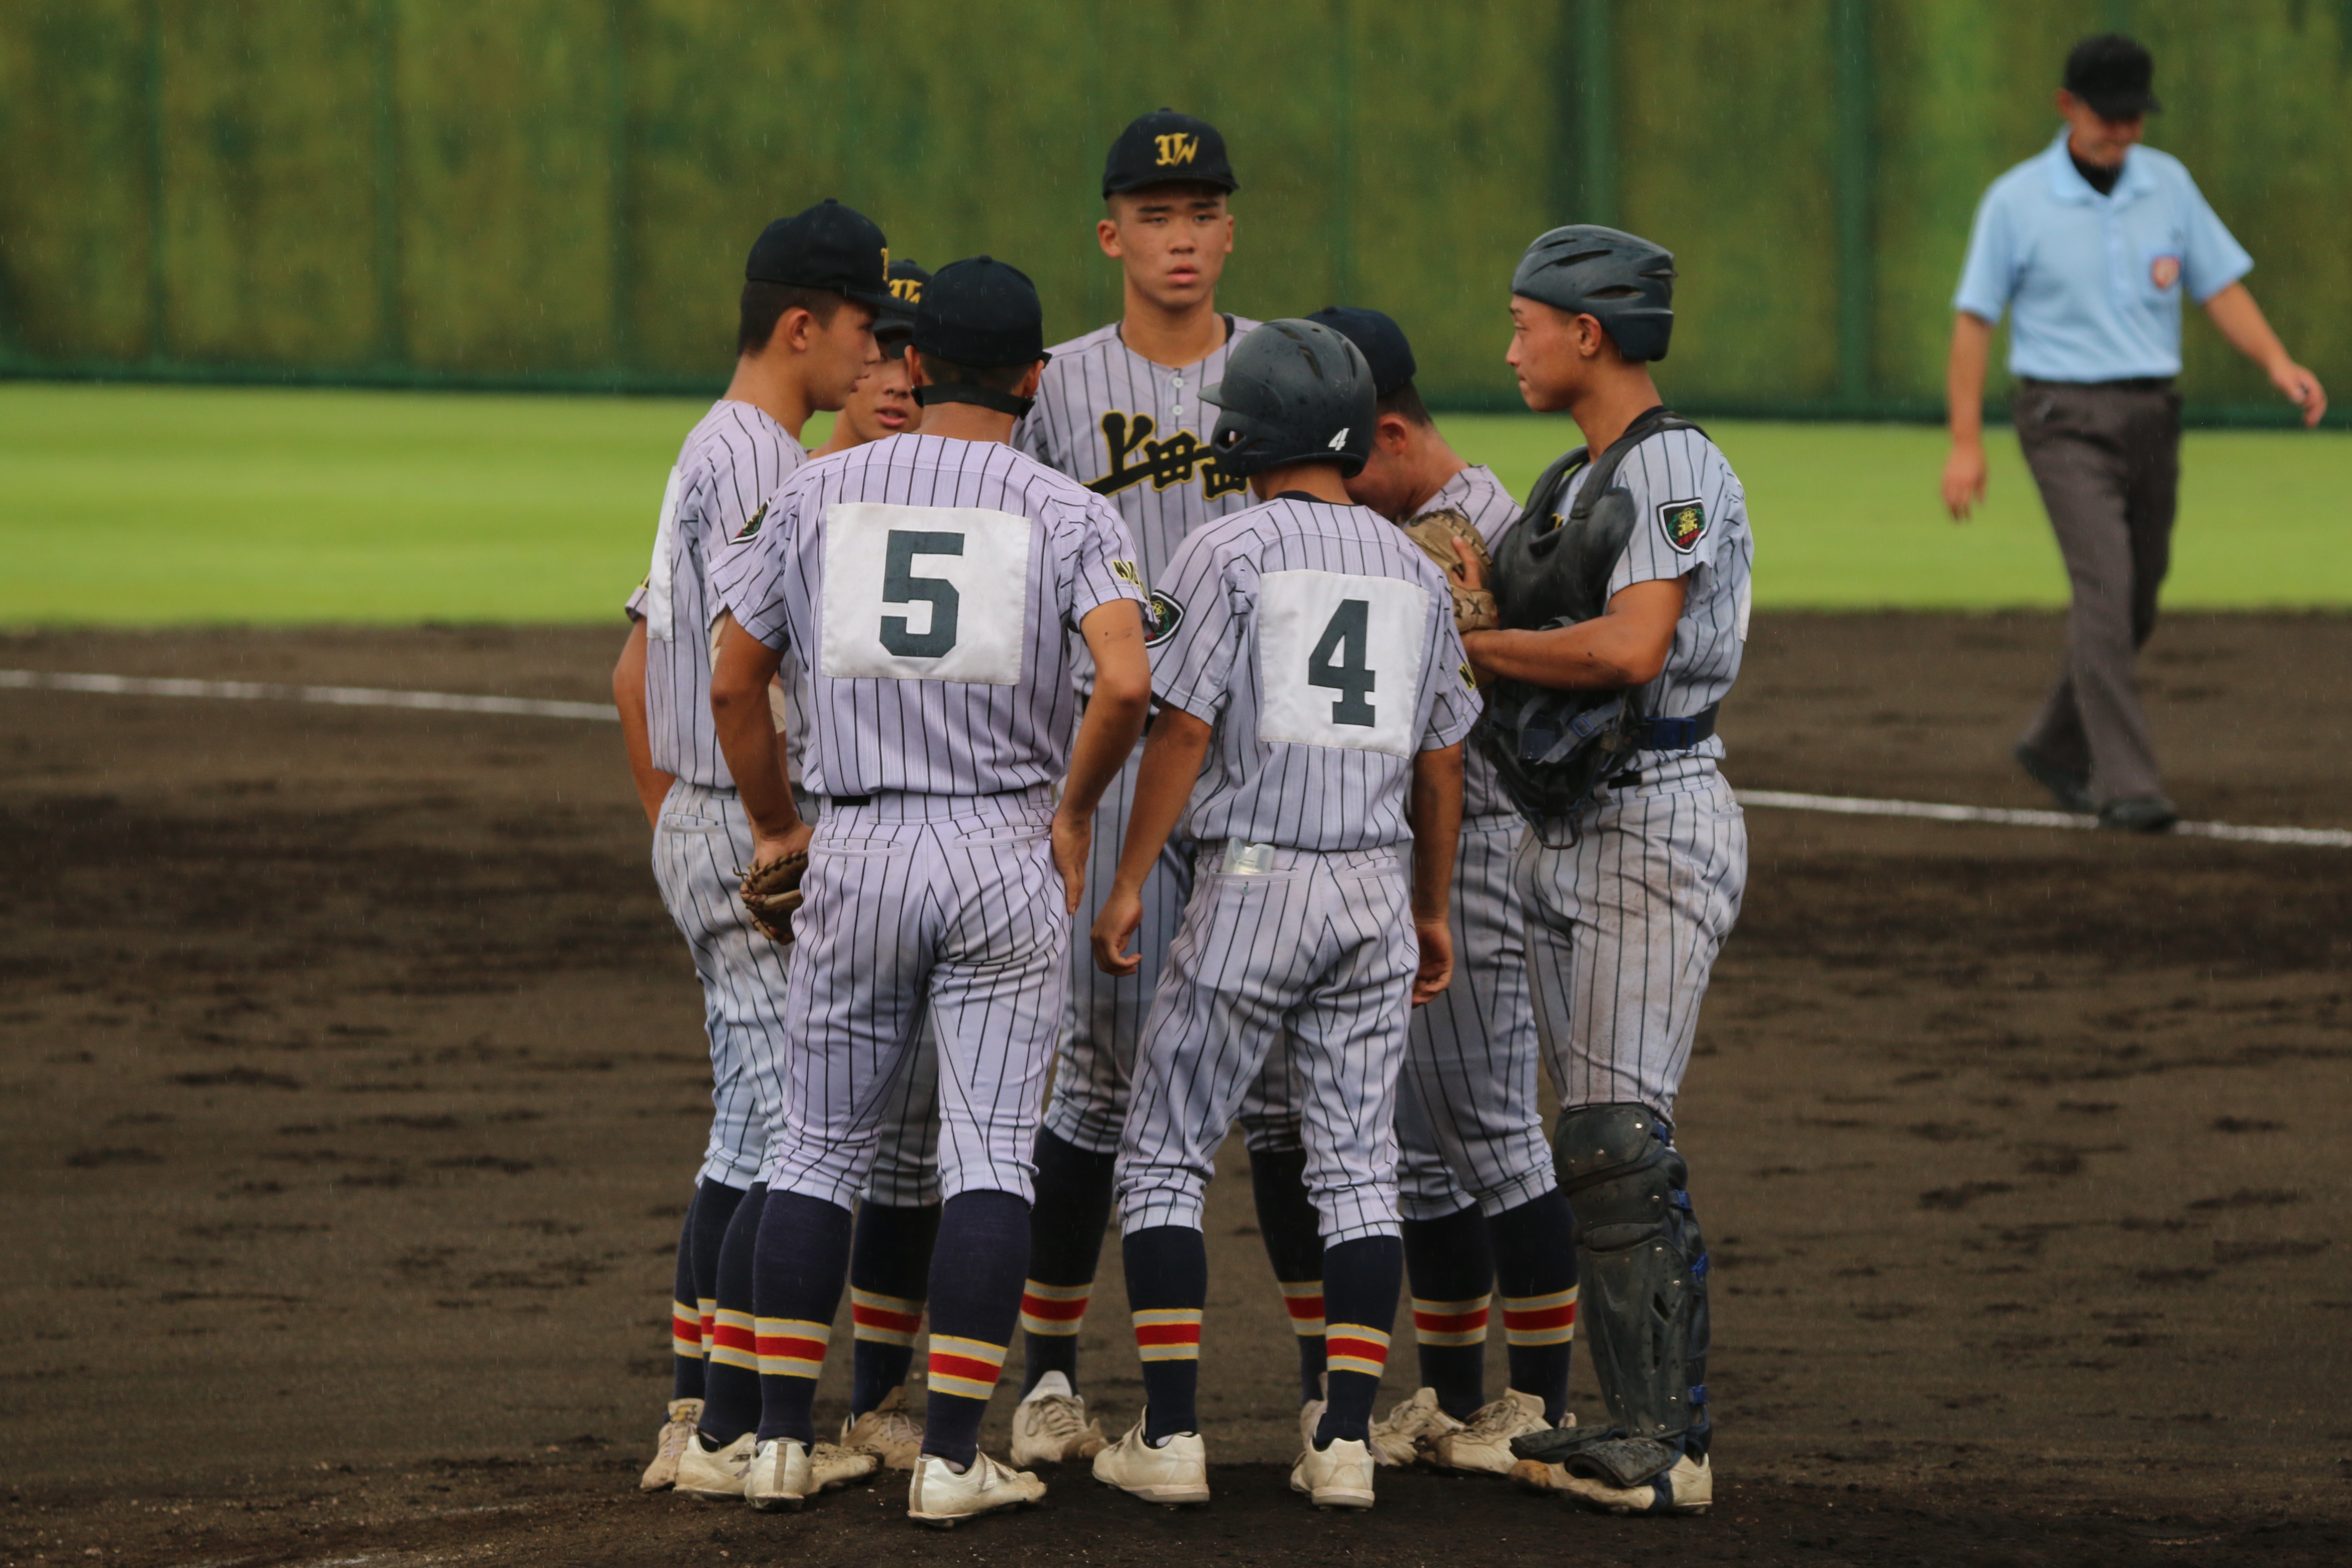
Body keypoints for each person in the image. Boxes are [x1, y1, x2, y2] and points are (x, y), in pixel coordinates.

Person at [707, 256, 1153, 1524]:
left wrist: (778, 828)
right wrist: (1072, 813)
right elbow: (1125, 684)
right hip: (1005, 853)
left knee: (815, 1144)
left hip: (856, 850)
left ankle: (783, 1444)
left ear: (911, 365)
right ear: (1035, 375)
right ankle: (954, 1454)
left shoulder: (820, 489)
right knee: (990, 1158)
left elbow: (735, 682)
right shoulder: (1070, 510)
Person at [1084, 318, 1476, 1513]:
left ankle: (1174, 1436)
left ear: (1241, 431)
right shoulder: (1414, 564)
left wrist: (1133, 871)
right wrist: (1432, 909)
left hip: (1253, 885)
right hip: (1371, 886)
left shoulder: (1224, 548)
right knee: (1359, 1165)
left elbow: (1184, 725)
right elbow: (1446, 753)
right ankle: (1346, 1441)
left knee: (1162, 1153)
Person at [1008, 109, 1332, 1464]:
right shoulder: (1057, 391)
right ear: (1112, 235)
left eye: (1201, 211)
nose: (1181, 235)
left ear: (1230, 229)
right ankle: (1046, 1378)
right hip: (1118, 755)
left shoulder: (1287, 373)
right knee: (1091, 1081)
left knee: (1280, 1098)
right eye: (1155, 212)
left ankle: (1330, 1385)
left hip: (1265, 778)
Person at [1459, 225, 1751, 1517]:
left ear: (1589, 331)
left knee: (1619, 1130)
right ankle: (1636, 1420)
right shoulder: (1570, 478)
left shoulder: (1677, 464)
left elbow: (1635, 649)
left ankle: (1667, 1439)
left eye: (1527, 322)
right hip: (1579, 824)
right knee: (1592, 1139)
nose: (1512, 344)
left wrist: (1476, 649)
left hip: (1655, 818)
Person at [609, 199, 891, 1499]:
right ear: (802, 326)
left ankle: (691, 1417)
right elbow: (740, 674)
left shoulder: (706, 449)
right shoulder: (761, 463)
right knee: (797, 1137)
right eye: (862, 330)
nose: (873, 357)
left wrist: (683, 822)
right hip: (745, 820)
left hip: (699, 812)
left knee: (749, 1127)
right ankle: (733, 1433)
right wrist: (768, 822)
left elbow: (633, 676)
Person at [1309, 306, 1583, 1475]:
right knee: (1418, 1150)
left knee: (1495, 1134)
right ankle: (1456, 1398)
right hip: (1410, 856)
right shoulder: (1406, 525)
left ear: (1382, 432)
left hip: (1473, 853)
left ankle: (1540, 1403)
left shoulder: (1489, 530)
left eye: (1331, 460)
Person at [1942, 32, 2328, 832]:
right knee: (2105, 590)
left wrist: (2276, 361)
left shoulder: (2168, 186)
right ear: (2066, 107)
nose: (2121, 131)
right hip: (2061, 419)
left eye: (2132, 117)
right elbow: (1975, 321)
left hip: (2153, 415)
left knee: (2137, 597)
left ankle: (2051, 741)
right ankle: (2125, 782)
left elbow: (2218, 287)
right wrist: (1966, 441)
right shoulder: (2016, 201)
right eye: (2107, 116)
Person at [815, 259, 932, 457]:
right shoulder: (779, 481)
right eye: (879, 357)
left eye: (917, 366)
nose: (899, 386)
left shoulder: (955, 488)